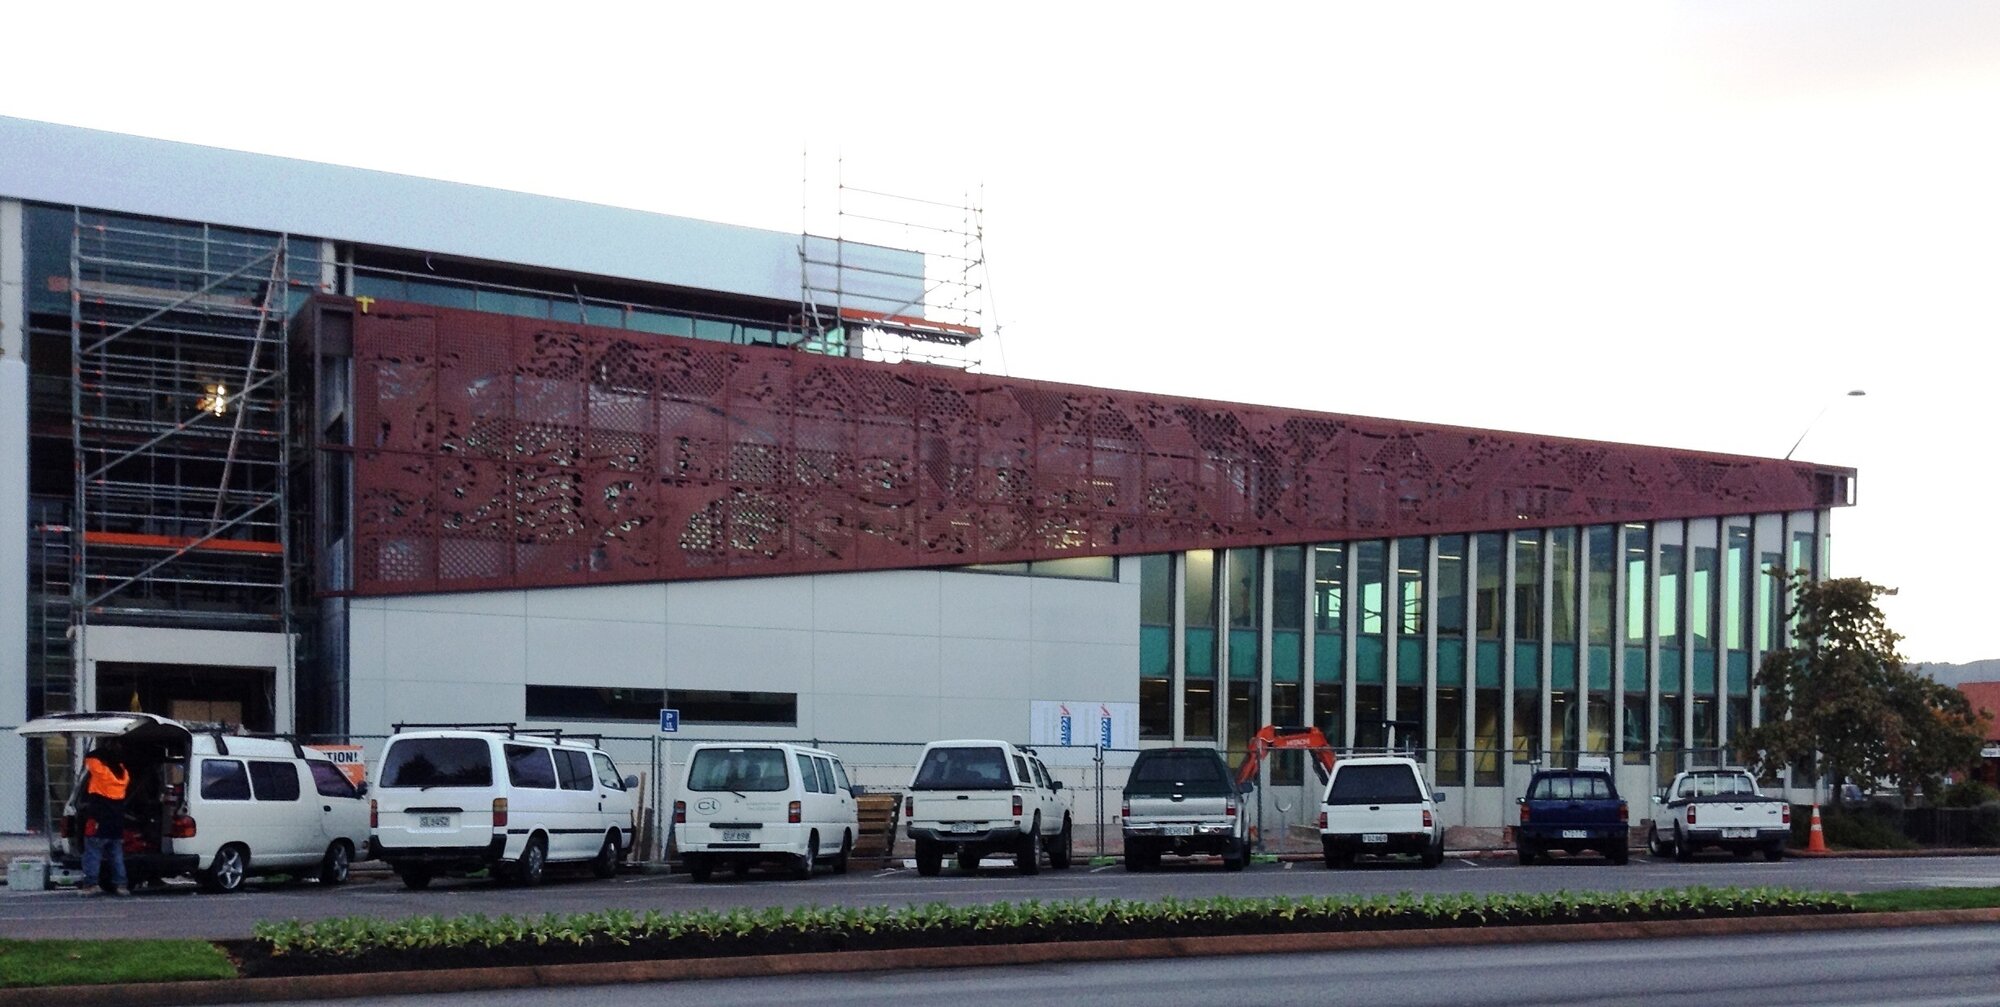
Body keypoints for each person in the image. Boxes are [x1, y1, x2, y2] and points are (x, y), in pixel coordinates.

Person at [78, 741, 131, 896]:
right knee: (116, 855)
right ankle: (121, 885)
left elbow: (90, 758)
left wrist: (104, 749)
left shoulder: (102, 773)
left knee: (93, 853)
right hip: (116, 822)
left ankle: (91, 884)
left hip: (98, 820)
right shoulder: (124, 775)